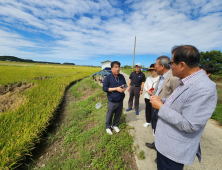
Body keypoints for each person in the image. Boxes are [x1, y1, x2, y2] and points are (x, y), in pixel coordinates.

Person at [150, 45, 217, 170]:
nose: (170, 67)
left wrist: (161, 107)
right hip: (165, 145)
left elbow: (190, 124)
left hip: (173, 150)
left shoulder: (204, 88)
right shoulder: (187, 80)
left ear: (181, 65)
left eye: (171, 63)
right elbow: (179, 102)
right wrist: (162, 100)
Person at [145, 56, 179, 164]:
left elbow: (177, 97)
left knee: (164, 132)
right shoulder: (162, 76)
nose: (155, 67)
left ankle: (161, 154)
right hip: (157, 107)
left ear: (162, 66)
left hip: (165, 109)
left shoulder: (173, 78)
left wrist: (162, 103)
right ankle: (156, 144)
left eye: (156, 65)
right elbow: (159, 90)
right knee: (156, 128)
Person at [103, 61, 127, 135]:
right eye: (115, 67)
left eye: (118, 67)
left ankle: (115, 125)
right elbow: (105, 89)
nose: (117, 69)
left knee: (118, 114)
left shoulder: (121, 76)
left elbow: (125, 85)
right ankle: (108, 127)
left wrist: (123, 88)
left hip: (120, 99)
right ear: (112, 69)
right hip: (112, 100)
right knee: (110, 114)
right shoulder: (108, 78)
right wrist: (116, 89)